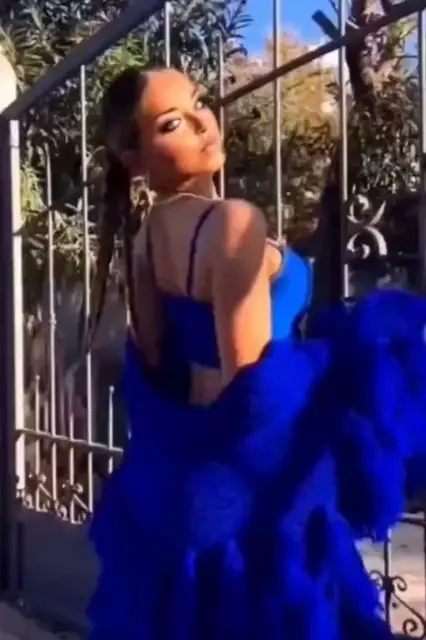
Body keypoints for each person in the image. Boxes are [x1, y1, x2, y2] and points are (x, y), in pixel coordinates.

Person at [88, 66, 426, 640]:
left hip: (183, 490)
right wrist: (341, 364)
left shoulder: (146, 239)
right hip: (253, 506)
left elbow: (156, 371)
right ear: (134, 159)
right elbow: (254, 394)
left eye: (199, 103)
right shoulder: (232, 223)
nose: (203, 124)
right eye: (172, 123)